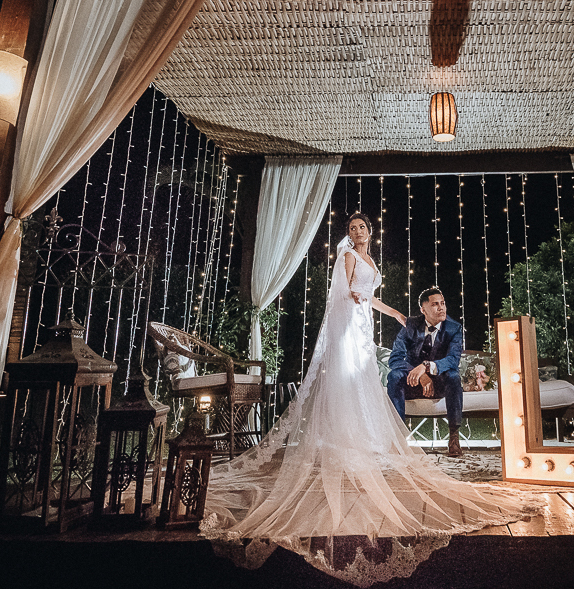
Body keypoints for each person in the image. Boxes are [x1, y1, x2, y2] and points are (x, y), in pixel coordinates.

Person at [201, 212, 537, 586]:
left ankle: (361, 440)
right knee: (350, 382)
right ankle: (344, 442)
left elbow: (369, 296)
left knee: (364, 382)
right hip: (347, 329)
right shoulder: (348, 257)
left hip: (364, 326)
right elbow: (341, 295)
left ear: (370, 231)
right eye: (351, 229)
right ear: (348, 236)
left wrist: (391, 311)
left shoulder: (372, 261)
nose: (356, 232)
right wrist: (358, 298)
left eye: (361, 227)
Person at [388, 287, 464, 457]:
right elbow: (395, 359)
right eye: (435, 304)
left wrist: (427, 367)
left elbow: (453, 360)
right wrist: (420, 375)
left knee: (453, 375)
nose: (441, 308)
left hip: (440, 384)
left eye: (443, 303)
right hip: (413, 383)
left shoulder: (454, 328)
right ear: (423, 310)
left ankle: (454, 437)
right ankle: (398, 438)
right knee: (394, 376)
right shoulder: (410, 326)